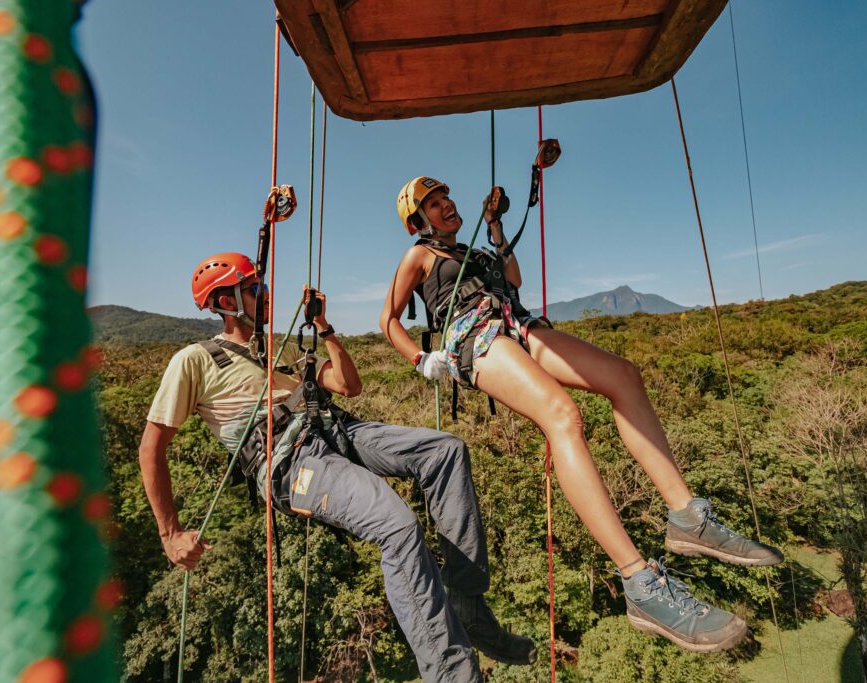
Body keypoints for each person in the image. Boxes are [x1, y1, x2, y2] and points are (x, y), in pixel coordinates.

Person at [380, 177, 785, 653]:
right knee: (563, 416)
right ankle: (639, 582)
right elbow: (387, 319)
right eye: (434, 202)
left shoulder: (474, 251)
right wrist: (420, 358)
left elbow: (513, 281)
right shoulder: (420, 257)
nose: (447, 204)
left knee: (624, 376)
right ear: (418, 219)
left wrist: (495, 225)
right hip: (476, 338)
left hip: (516, 323)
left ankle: (687, 516)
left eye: (446, 197)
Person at [139, 252, 536, 683]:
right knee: (396, 525)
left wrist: (325, 329)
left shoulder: (282, 346)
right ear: (224, 302)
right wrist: (170, 534)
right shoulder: (195, 360)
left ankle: (467, 601)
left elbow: (349, 385)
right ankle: (452, 674)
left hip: (336, 429)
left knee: (445, 452)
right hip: (291, 460)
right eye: (253, 289)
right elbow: (151, 448)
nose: (266, 294)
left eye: (262, 286)